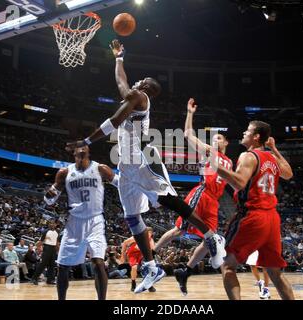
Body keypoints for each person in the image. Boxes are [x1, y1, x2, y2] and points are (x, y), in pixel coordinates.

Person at [66, 39, 226, 293]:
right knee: (132, 217)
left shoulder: (139, 97)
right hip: (127, 167)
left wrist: (85, 141)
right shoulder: (133, 97)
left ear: (145, 87)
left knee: (167, 199)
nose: (136, 82)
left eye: (141, 81)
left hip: (143, 158)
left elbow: (114, 121)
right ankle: (152, 266)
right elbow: (120, 83)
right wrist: (119, 57)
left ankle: (210, 235)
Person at [154, 98, 233, 296]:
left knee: (211, 240)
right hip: (202, 193)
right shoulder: (209, 151)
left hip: (214, 201)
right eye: (214, 138)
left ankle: (186, 271)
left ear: (227, 142)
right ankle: (150, 255)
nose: (216, 139)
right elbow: (188, 134)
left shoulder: (230, 161)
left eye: (220, 138)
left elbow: (233, 183)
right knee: (179, 230)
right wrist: (190, 113)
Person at [214, 121, 295, 300]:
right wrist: (273, 149)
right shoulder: (271, 158)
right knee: (275, 272)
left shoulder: (248, 156)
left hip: (252, 215)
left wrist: (214, 165)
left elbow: (239, 182)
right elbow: (288, 174)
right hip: (272, 218)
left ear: (256, 137)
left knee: (227, 265)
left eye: (248, 131)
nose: (244, 132)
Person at [44, 145, 117, 300]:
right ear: (74, 152)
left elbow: (120, 184)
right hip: (74, 222)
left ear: (89, 151)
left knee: (98, 262)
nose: (82, 148)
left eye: (85, 146)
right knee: (63, 267)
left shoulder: (101, 169)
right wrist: (48, 196)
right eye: (79, 146)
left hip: (95, 220)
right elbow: (50, 200)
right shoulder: (64, 172)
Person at [121, 227, 156, 292]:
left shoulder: (151, 240)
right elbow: (125, 243)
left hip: (142, 255)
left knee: (148, 268)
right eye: (147, 233)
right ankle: (133, 283)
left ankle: (149, 285)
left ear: (152, 234)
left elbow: (153, 250)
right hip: (132, 254)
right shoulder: (137, 237)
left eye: (150, 233)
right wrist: (123, 255)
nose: (149, 234)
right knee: (134, 268)